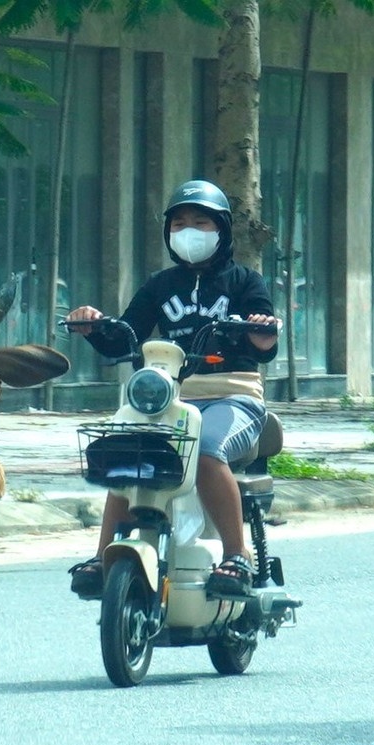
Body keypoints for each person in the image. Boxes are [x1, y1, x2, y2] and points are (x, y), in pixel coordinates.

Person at [64, 179, 282, 598]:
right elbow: (124, 337)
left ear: (222, 230)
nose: (189, 232)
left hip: (233, 396)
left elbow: (266, 344)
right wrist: (93, 326)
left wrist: (262, 334)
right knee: (128, 453)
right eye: (179, 223)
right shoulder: (159, 286)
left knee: (203, 451)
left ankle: (237, 557)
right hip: (169, 398)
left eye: (200, 222)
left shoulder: (245, 282)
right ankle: (101, 553)